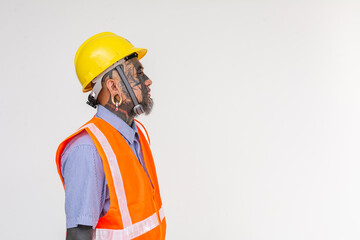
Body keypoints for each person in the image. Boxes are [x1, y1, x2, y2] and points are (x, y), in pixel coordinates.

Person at [55, 32, 167, 240]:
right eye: (138, 73)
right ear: (114, 86)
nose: (148, 81)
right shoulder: (86, 149)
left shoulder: (137, 134)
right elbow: (79, 234)